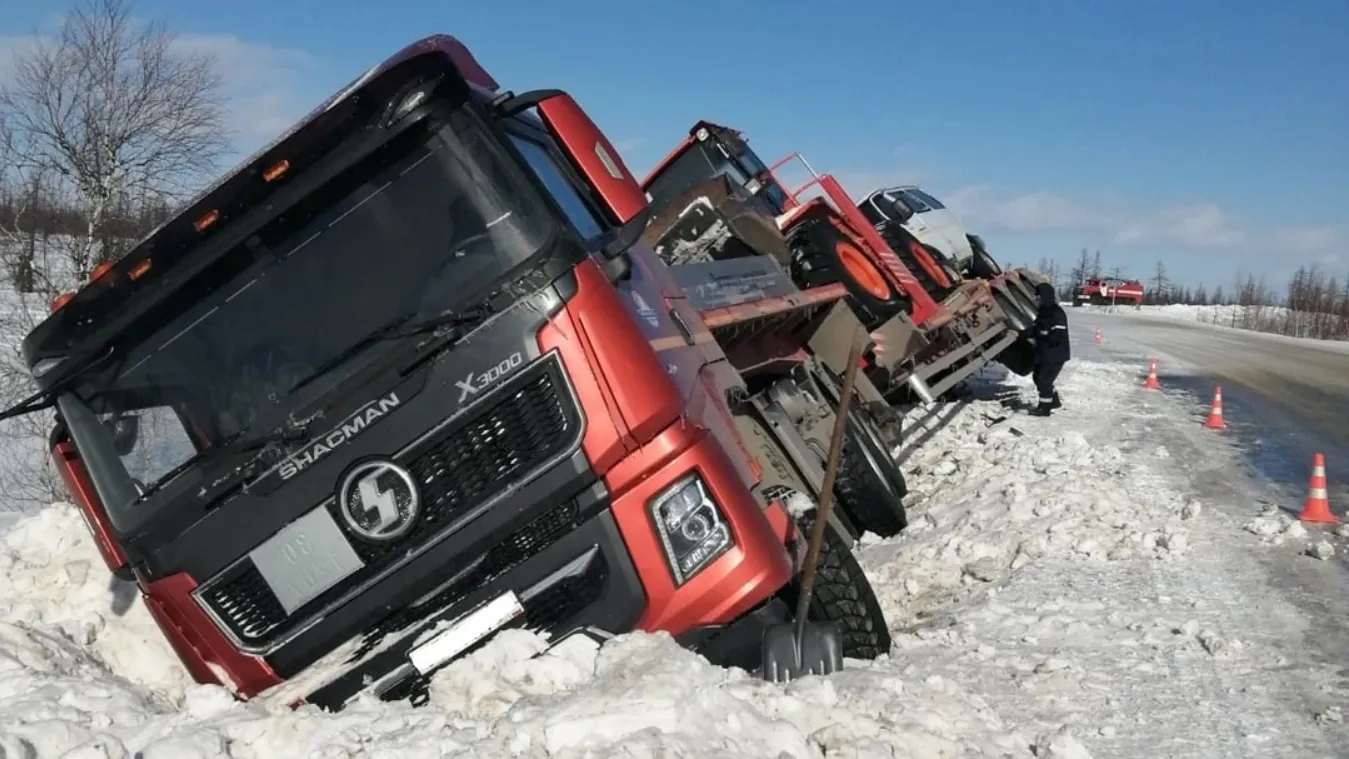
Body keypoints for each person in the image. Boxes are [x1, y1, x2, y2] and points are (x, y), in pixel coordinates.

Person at [1028, 281, 1070, 416]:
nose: (1037, 299)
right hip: (1045, 353)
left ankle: (1045, 408)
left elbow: (1058, 334)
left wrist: (1045, 335)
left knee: (1044, 380)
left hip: (1055, 353)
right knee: (1037, 377)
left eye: (1039, 296)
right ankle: (1054, 400)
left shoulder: (1056, 312)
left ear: (1045, 296)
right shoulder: (1042, 312)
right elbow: (1037, 330)